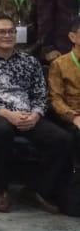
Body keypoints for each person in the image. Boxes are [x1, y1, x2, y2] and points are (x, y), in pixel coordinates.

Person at [0, 15, 71, 213]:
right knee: (1, 132)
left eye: (11, 31)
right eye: (1, 32)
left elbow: (41, 94)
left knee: (62, 139)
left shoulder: (29, 61)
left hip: (27, 114)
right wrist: (7, 114)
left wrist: (36, 115)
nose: (7, 35)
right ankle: (1, 190)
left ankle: (37, 189)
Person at [47, 19, 80, 159]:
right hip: (73, 113)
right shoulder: (59, 64)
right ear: (72, 37)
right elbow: (55, 98)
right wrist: (74, 117)